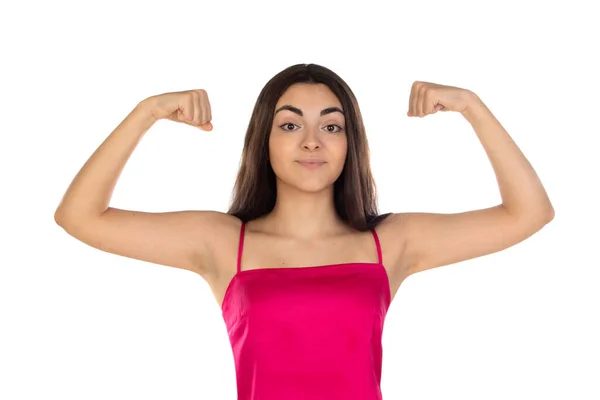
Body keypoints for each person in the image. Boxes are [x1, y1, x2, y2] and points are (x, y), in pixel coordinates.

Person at [54, 63, 554, 399]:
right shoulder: (224, 243)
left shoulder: (389, 244)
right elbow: (79, 216)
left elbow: (529, 213)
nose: (312, 141)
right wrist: (148, 112)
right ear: (264, 141)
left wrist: (471, 105)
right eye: (290, 125)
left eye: (331, 126)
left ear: (349, 143)